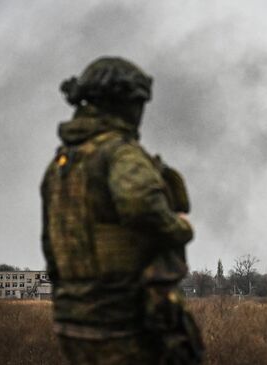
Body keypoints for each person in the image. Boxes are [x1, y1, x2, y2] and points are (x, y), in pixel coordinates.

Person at [41, 56, 203, 364]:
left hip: (72, 322)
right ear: (124, 103)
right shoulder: (118, 154)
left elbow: (51, 246)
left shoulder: (61, 165)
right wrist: (181, 226)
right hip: (124, 323)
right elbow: (143, 207)